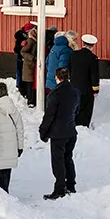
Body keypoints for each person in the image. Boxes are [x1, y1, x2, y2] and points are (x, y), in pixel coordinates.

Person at [39, 67, 81, 200]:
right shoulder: (75, 92)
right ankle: (71, 185)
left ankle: (59, 188)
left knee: (58, 161)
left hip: (58, 134)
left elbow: (49, 116)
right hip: (71, 131)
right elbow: (77, 110)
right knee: (68, 158)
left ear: (57, 77)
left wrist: (43, 131)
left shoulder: (54, 95)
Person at [69, 34, 101, 126]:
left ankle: (73, 124)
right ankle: (83, 126)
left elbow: (70, 69)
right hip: (86, 89)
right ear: (93, 46)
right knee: (86, 109)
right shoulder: (92, 58)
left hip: (74, 86)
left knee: (74, 107)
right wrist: (95, 89)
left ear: (83, 43)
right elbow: (94, 75)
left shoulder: (74, 55)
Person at [19, 23, 38, 107]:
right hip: (29, 65)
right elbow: (23, 52)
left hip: (31, 64)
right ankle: (30, 101)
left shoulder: (34, 41)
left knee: (31, 83)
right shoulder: (30, 41)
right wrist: (32, 58)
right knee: (30, 83)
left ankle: (31, 100)